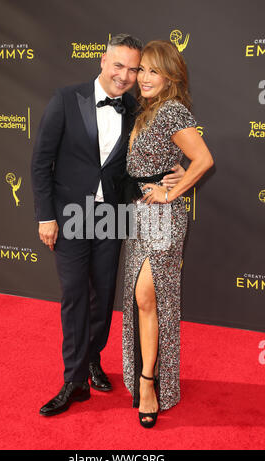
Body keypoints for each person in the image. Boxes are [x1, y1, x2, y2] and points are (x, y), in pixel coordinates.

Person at [31, 34, 184, 417]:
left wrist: (176, 171)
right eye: (120, 66)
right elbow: (40, 163)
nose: (127, 75)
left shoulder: (135, 108)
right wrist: (46, 217)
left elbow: (151, 151)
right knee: (74, 296)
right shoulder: (66, 99)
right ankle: (74, 380)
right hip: (70, 216)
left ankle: (94, 359)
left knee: (103, 294)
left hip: (112, 216)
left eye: (134, 69)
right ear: (102, 60)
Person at [122, 40, 214, 428]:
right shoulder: (148, 110)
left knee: (147, 293)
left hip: (163, 215)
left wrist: (171, 190)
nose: (143, 77)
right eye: (141, 69)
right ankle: (149, 373)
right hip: (139, 213)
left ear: (170, 76)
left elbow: (204, 159)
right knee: (144, 300)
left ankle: (148, 384)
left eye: (153, 71)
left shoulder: (172, 110)